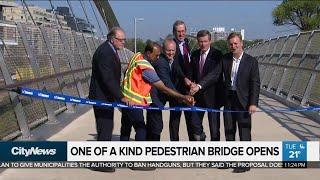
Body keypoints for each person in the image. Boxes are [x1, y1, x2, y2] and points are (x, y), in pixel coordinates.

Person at [120, 41, 194, 142]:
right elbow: (164, 87)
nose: (158, 57)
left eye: (173, 50)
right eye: (157, 55)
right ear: (149, 53)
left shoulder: (137, 56)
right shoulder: (147, 68)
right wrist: (183, 97)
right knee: (142, 130)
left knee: (126, 128)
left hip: (126, 98)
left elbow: (125, 70)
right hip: (134, 102)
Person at [88, 27, 130, 172]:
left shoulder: (110, 50)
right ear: (112, 39)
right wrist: (121, 97)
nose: (123, 42)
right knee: (105, 128)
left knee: (106, 127)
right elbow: (108, 79)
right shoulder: (105, 52)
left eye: (124, 39)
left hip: (106, 97)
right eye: (121, 40)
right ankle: (99, 163)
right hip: (101, 97)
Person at [222, 32, 260, 173]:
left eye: (236, 43)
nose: (233, 46)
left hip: (244, 102)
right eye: (231, 44)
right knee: (229, 131)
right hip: (229, 100)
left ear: (242, 43)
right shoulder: (225, 59)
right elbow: (215, 75)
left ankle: (245, 162)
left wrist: (253, 103)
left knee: (244, 132)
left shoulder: (251, 61)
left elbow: (255, 84)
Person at [189, 30, 223, 141]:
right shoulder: (194, 55)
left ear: (210, 41)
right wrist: (191, 85)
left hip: (213, 98)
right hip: (198, 97)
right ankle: (201, 137)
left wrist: (199, 85)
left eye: (205, 41)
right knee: (195, 124)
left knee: (214, 130)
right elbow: (192, 74)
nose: (203, 44)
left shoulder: (217, 55)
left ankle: (214, 155)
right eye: (200, 41)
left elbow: (214, 75)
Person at [146, 38, 179, 141]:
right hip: (155, 97)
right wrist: (182, 97)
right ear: (163, 50)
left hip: (163, 95)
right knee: (156, 127)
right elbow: (167, 83)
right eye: (168, 50)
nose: (171, 53)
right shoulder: (161, 62)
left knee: (155, 127)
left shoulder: (173, 60)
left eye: (173, 50)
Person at [170, 20, 194, 141]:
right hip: (176, 88)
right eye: (178, 31)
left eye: (183, 31)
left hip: (189, 89)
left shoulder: (187, 44)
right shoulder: (171, 46)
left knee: (191, 120)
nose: (181, 34)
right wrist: (183, 78)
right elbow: (174, 65)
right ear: (174, 32)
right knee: (175, 120)